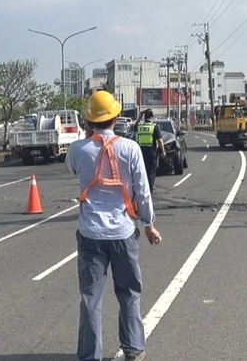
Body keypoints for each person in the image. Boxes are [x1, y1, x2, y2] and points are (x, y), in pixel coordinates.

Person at [67, 91, 162, 361]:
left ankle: (89, 356)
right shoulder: (130, 148)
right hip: (123, 232)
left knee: (90, 299)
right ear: (117, 117)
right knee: (130, 293)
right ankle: (133, 348)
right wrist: (149, 224)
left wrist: (88, 139)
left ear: (88, 121)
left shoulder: (77, 149)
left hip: (90, 234)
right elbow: (142, 191)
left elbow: (71, 169)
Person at [133, 109, 165, 193]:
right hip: (152, 152)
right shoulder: (154, 126)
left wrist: (140, 117)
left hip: (141, 153)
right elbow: (160, 141)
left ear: (145, 117)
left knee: (142, 173)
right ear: (152, 117)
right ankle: (149, 193)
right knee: (151, 174)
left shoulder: (140, 126)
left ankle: (141, 191)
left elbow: (134, 126)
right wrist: (163, 152)